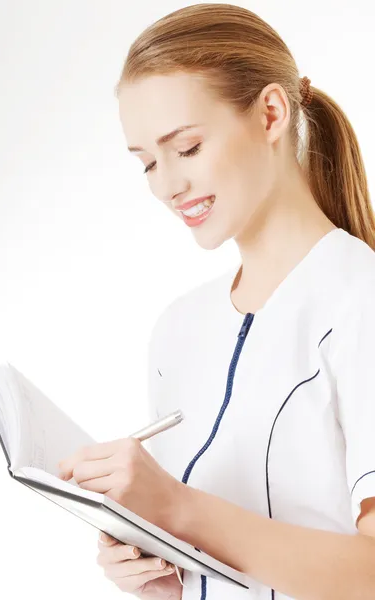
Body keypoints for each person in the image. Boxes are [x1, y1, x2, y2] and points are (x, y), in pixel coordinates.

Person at [57, 4, 375, 599]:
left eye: (188, 148)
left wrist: (179, 508)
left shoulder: (361, 300)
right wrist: (156, 569)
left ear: (271, 114)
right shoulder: (177, 330)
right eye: (147, 162)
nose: (165, 185)